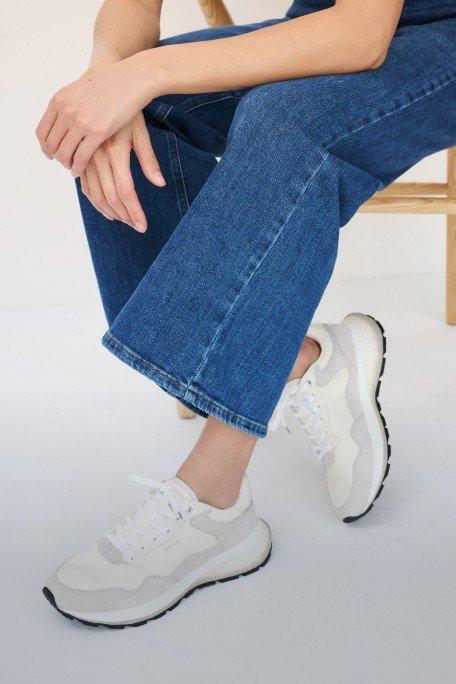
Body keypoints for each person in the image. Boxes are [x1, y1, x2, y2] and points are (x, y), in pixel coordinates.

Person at [36, 0, 456, 628]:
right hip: (325, 19)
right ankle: (300, 361)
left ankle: (215, 504)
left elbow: (360, 36)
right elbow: (128, 11)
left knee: (287, 119)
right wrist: (110, 82)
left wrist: (142, 74)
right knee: (139, 118)